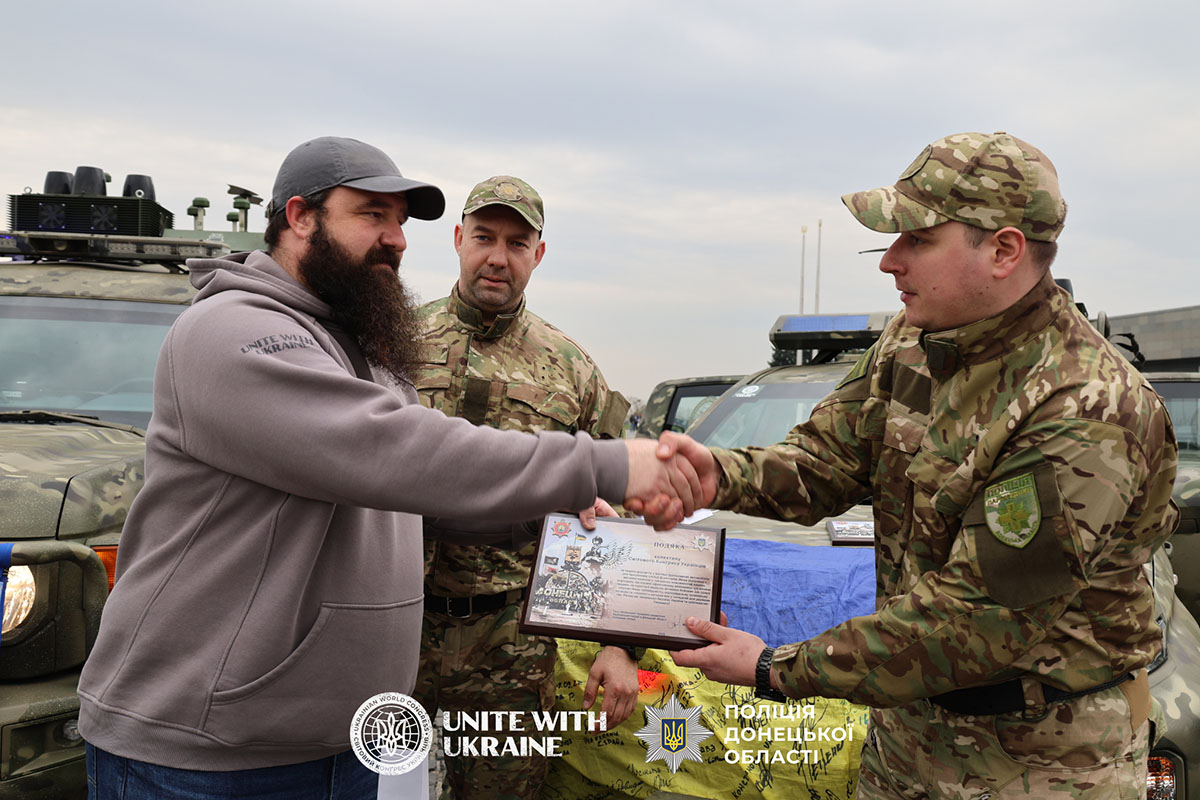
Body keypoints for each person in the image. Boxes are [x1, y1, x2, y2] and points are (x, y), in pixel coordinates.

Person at [75, 137, 698, 800]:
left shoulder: (378, 346)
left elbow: (402, 503)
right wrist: (603, 466)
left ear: (538, 256)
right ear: (300, 217)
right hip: (209, 754)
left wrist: (590, 593)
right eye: (372, 215)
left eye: (400, 222)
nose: (396, 239)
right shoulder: (236, 333)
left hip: (404, 700)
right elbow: (395, 453)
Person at [659, 131, 1179, 798]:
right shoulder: (912, 341)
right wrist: (715, 473)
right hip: (907, 741)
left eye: (917, 239)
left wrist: (774, 667)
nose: (889, 261)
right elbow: (827, 459)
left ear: (1004, 249)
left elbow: (972, 620)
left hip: (1040, 764)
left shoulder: (1086, 406)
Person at [411, 176, 640, 799]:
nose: (497, 257)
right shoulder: (392, 344)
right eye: (483, 237)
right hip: (393, 627)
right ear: (458, 240)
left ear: (538, 254)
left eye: (517, 243)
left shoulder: (573, 370)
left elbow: (615, 510)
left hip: (508, 645)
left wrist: (619, 646)